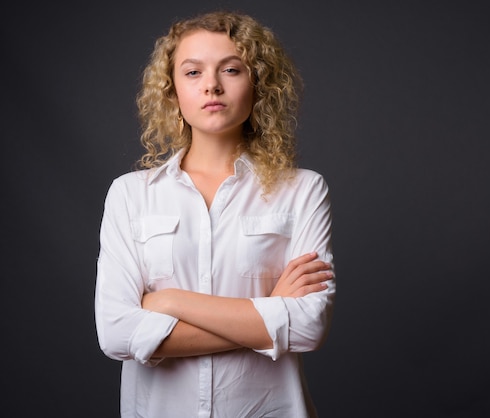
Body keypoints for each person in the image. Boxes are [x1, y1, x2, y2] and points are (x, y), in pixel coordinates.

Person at [94, 10, 336, 418]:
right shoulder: (129, 195)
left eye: (231, 69)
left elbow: (309, 327)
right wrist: (267, 313)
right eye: (192, 72)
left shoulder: (303, 190)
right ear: (171, 90)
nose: (212, 85)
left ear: (259, 84)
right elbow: (117, 334)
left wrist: (170, 301)